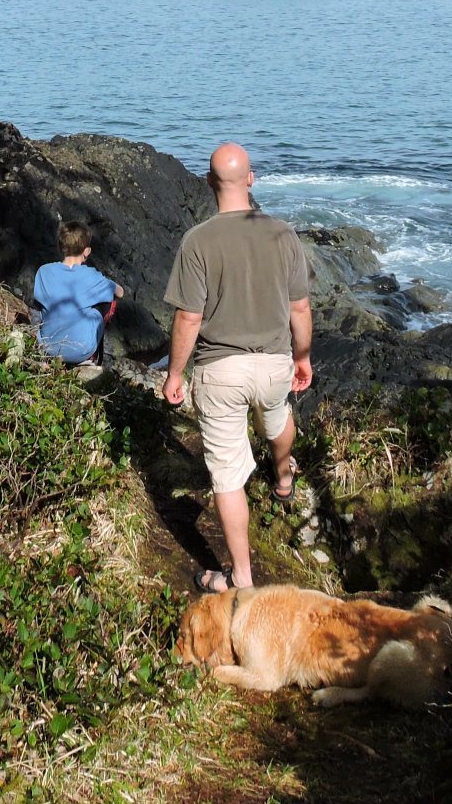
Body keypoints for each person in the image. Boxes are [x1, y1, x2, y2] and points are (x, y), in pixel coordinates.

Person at [162, 142, 313, 593]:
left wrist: (175, 373)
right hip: (272, 364)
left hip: (220, 370)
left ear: (210, 183)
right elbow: (300, 308)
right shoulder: (283, 234)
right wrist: (302, 357)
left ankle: (241, 580)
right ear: (251, 178)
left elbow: (189, 317)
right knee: (277, 418)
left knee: (227, 476)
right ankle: (283, 477)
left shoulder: (198, 240)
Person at [32, 220, 125, 365]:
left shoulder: (43, 272)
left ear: (59, 246)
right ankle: (92, 356)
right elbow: (120, 292)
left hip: (48, 347)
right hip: (81, 351)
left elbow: (38, 304)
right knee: (108, 301)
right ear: (87, 251)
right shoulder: (91, 276)